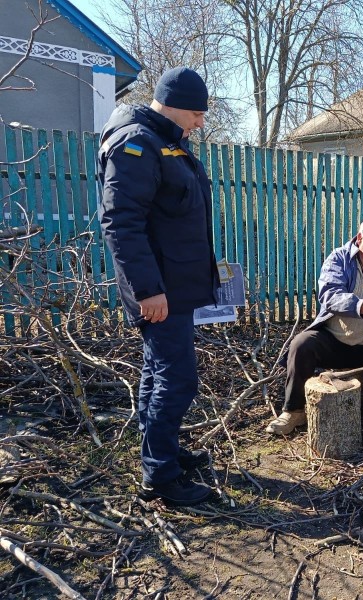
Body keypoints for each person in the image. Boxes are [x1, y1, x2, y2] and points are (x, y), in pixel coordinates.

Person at [97, 67, 219, 505]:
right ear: (169, 103)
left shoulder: (165, 142)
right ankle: (161, 478)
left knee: (158, 371)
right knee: (178, 379)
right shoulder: (137, 144)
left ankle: (159, 454)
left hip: (174, 285)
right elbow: (121, 224)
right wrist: (148, 290)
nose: (200, 122)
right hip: (158, 289)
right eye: (195, 112)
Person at [268, 216, 363, 435]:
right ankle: (293, 411)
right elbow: (329, 295)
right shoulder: (339, 259)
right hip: (336, 341)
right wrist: (362, 305)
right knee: (301, 344)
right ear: (360, 238)